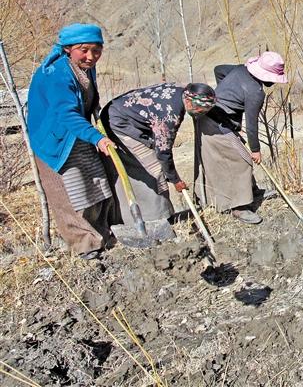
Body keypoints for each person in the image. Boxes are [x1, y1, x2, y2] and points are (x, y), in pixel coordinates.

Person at [27, 23, 115, 260]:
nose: (91, 56)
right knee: (68, 195)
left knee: (97, 184)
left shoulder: (85, 67)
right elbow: (66, 114)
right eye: (84, 50)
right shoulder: (56, 74)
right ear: (68, 49)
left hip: (77, 133)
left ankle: (102, 236)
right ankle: (86, 247)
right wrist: (97, 138)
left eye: (96, 50)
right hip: (53, 140)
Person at [102, 82, 216, 240]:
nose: (201, 114)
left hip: (120, 113)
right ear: (189, 102)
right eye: (200, 110)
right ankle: (154, 218)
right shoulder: (170, 115)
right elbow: (163, 152)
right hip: (118, 122)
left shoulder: (181, 93)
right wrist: (175, 179)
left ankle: (162, 214)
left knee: (155, 165)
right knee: (154, 169)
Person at [194, 52, 287, 224]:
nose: (273, 82)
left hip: (213, 118)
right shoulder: (255, 92)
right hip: (214, 125)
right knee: (242, 160)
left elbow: (218, 70)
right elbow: (251, 125)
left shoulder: (239, 70)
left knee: (239, 156)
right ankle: (239, 207)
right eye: (273, 78)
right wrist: (255, 150)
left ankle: (251, 191)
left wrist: (225, 96)